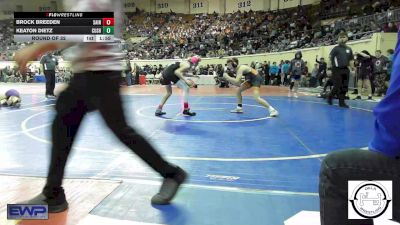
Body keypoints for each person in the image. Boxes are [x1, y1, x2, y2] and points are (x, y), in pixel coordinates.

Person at [13, 0, 187, 213]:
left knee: (120, 131)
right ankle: (53, 193)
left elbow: (85, 25)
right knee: (64, 126)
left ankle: (171, 173)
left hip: (101, 74)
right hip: (87, 74)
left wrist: (37, 46)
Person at [319, 31, 400, 225]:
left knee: (336, 170)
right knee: (337, 87)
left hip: (346, 72)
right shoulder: (336, 50)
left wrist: (382, 146)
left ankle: (339, 100)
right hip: (339, 72)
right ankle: (333, 98)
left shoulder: (348, 50)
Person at [327, 32, 354, 108]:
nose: (342, 39)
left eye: (344, 37)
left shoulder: (349, 49)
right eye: (340, 38)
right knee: (337, 85)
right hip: (336, 69)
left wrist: (352, 69)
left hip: (346, 69)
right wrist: (329, 69)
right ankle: (330, 96)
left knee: (344, 86)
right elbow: (330, 59)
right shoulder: (335, 49)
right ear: (338, 39)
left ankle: (341, 102)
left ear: (347, 38)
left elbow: (351, 60)